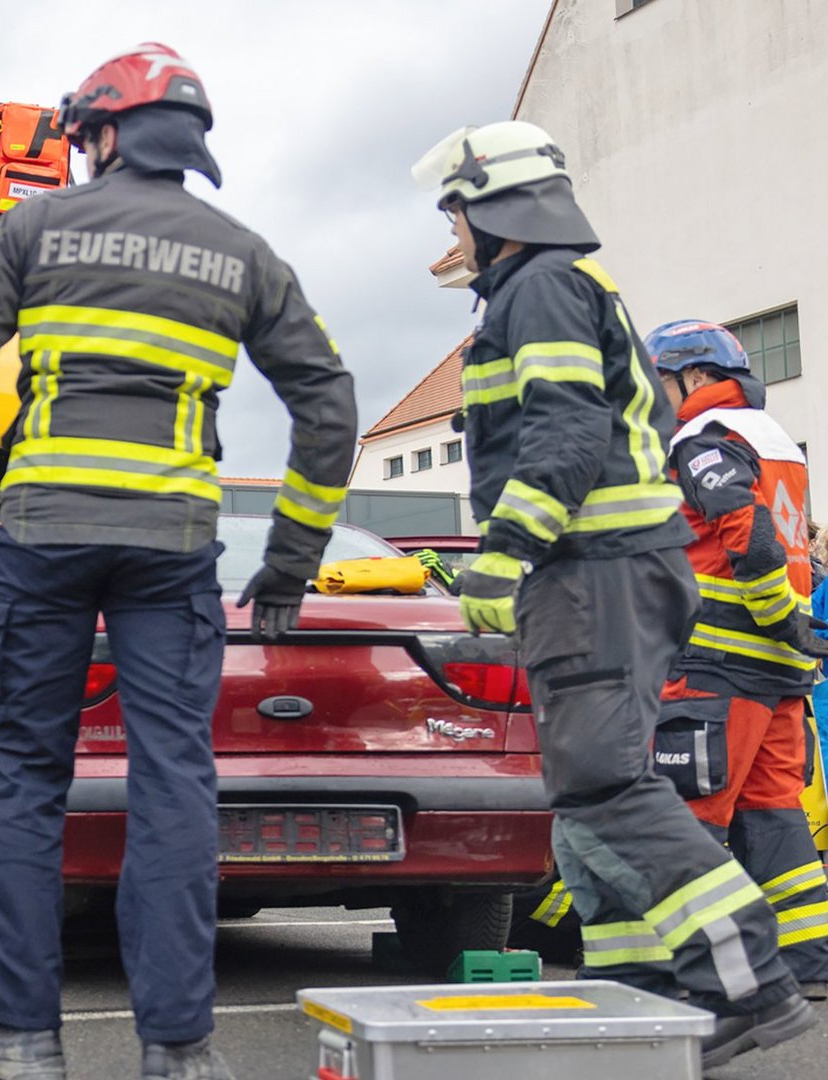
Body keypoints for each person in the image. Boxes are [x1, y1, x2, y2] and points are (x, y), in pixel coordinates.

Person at [0, 46, 356, 1080]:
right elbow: (328, 406)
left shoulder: (33, 229)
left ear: (104, 134)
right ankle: (180, 1052)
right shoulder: (240, 250)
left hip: (47, 538)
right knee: (172, 787)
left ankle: (20, 1037)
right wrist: (286, 565)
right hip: (174, 551)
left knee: (19, 780)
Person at [415, 120, 814, 1066]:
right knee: (590, 798)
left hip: (594, 570)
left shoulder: (543, 286)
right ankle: (646, 985)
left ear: (496, 207)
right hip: (604, 573)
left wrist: (504, 553)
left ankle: (744, 981)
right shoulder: (542, 287)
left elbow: (565, 433)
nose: (450, 233)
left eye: (456, 211)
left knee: (605, 782)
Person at [642, 320, 828, 999]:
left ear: (692, 376)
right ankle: (808, 964)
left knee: (691, 816)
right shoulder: (773, 441)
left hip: (718, 664)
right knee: (775, 815)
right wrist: (790, 629)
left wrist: (774, 612)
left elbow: (747, 536)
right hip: (777, 670)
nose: (657, 397)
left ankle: (695, 971)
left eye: (662, 381)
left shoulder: (703, 438)